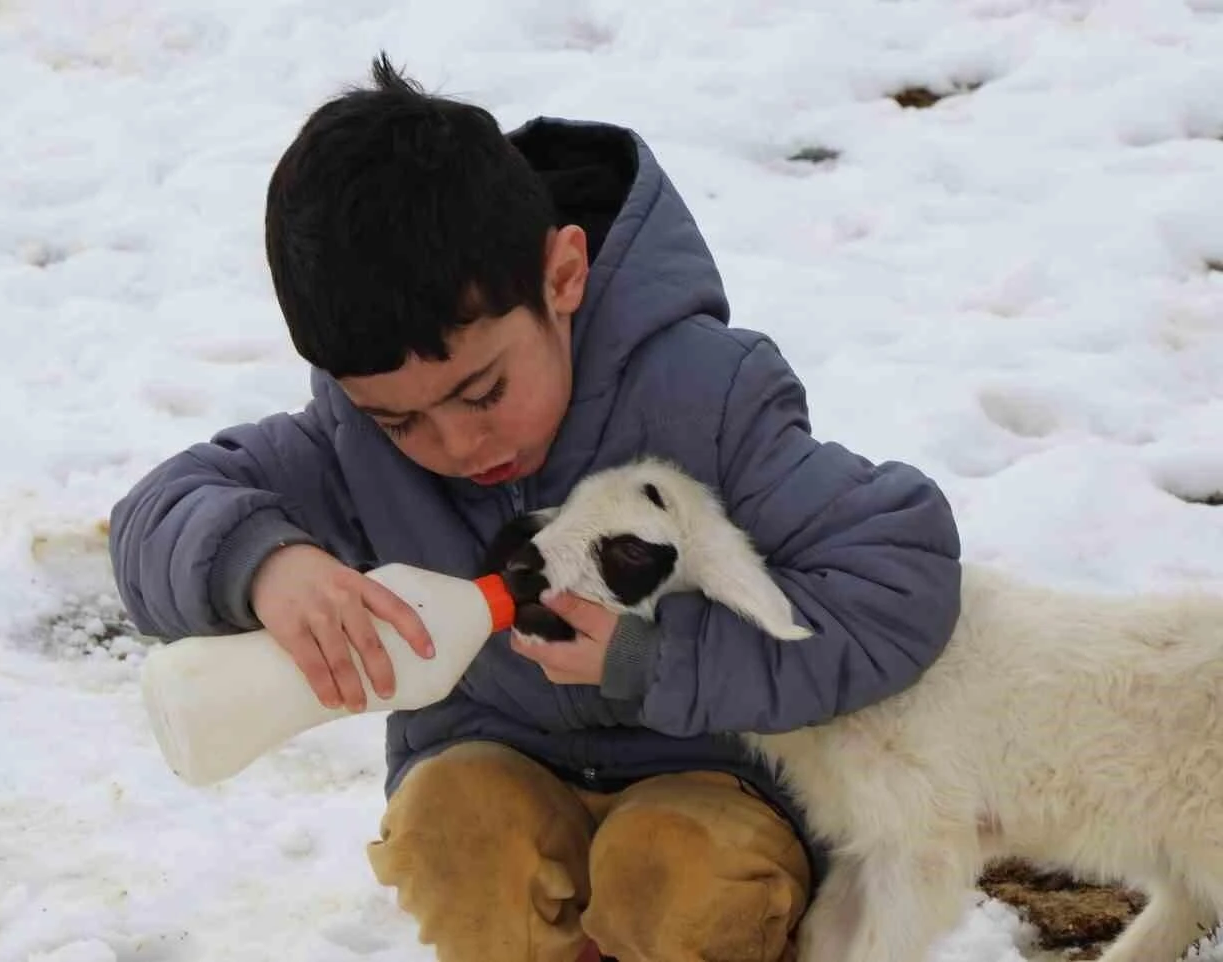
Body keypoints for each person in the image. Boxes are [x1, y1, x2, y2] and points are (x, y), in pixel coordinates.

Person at [109, 53, 963, 962]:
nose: (457, 446)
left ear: (563, 276)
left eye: (482, 393)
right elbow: (152, 517)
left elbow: (900, 578)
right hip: (499, 761)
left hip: (718, 779)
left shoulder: (704, 400)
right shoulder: (348, 446)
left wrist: (652, 658)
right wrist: (267, 563)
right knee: (457, 834)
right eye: (401, 420)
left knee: (677, 876)